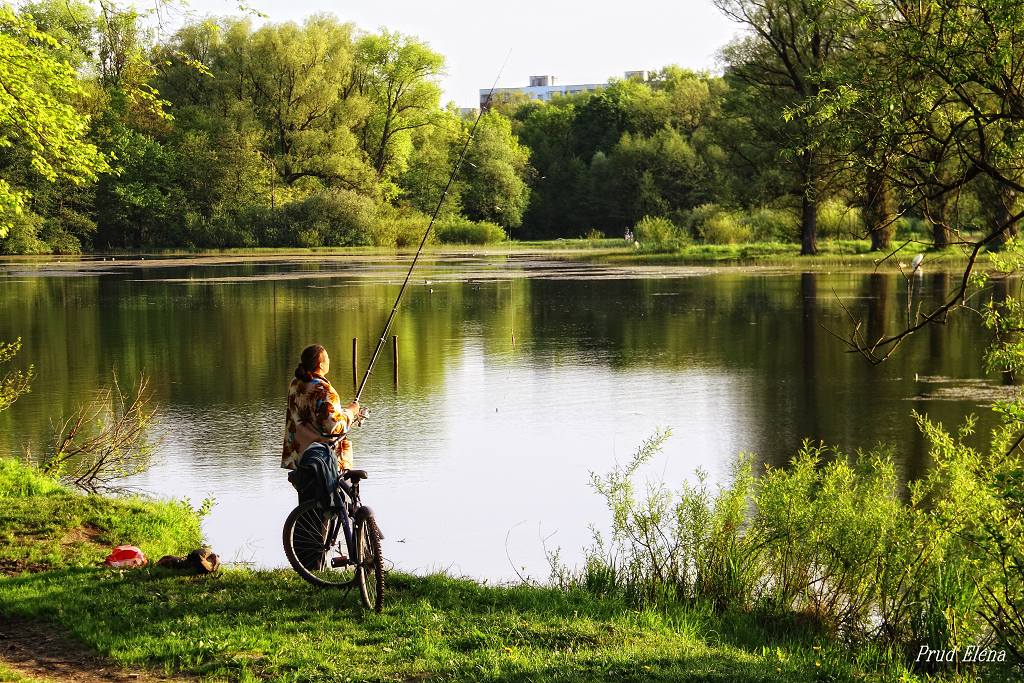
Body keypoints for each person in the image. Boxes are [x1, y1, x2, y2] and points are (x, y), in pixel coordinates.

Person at [281, 344, 361, 488]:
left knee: (309, 504)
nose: (329, 360)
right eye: (328, 358)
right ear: (321, 364)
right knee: (335, 503)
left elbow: (313, 416)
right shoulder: (323, 389)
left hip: (300, 457)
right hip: (324, 460)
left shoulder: (296, 384)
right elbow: (334, 427)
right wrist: (351, 412)